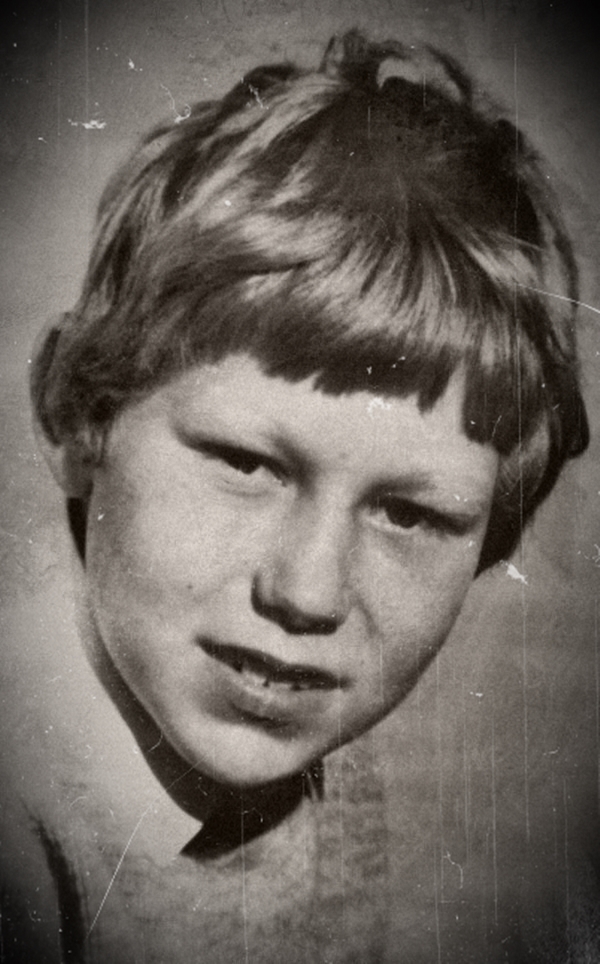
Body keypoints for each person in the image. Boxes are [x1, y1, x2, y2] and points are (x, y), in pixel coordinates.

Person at [4, 27, 594, 963]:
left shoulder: (328, 767)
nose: (309, 594)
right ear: (78, 416)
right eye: (247, 464)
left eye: (409, 514)